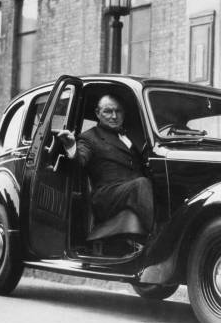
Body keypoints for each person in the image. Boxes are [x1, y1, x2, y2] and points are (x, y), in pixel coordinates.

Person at [57, 94, 153, 253]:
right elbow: (80, 162)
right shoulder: (89, 138)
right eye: (108, 111)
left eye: (118, 111)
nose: (114, 116)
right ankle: (157, 240)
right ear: (97, 113)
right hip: (107, 197)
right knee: (142, 183)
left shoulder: (129, 137)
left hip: (132, 191)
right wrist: (71, 147)